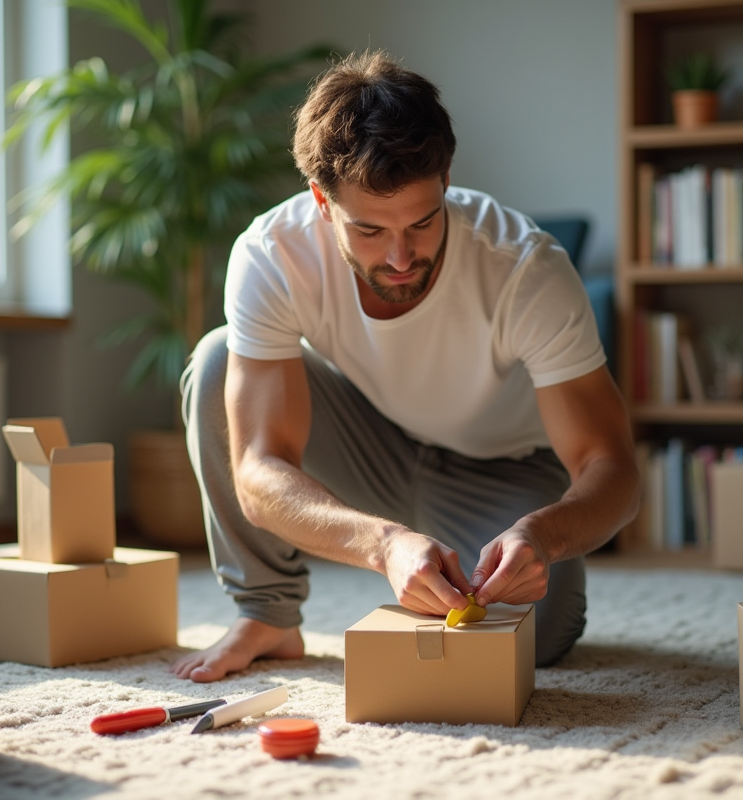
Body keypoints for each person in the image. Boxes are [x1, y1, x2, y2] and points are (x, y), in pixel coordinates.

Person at [172, 50, 639, 684]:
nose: (399, 257)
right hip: (368, 444)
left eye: (422, 222)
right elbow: (258, 469)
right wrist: (382, 543)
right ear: (322, 201)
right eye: (369, 230)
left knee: (536, 633)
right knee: (218, 357)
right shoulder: (272, 254)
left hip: (499, 470)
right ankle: (267, 614)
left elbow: (613, 468)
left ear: (445, 181)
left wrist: (543, 535)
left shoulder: (525, 268)